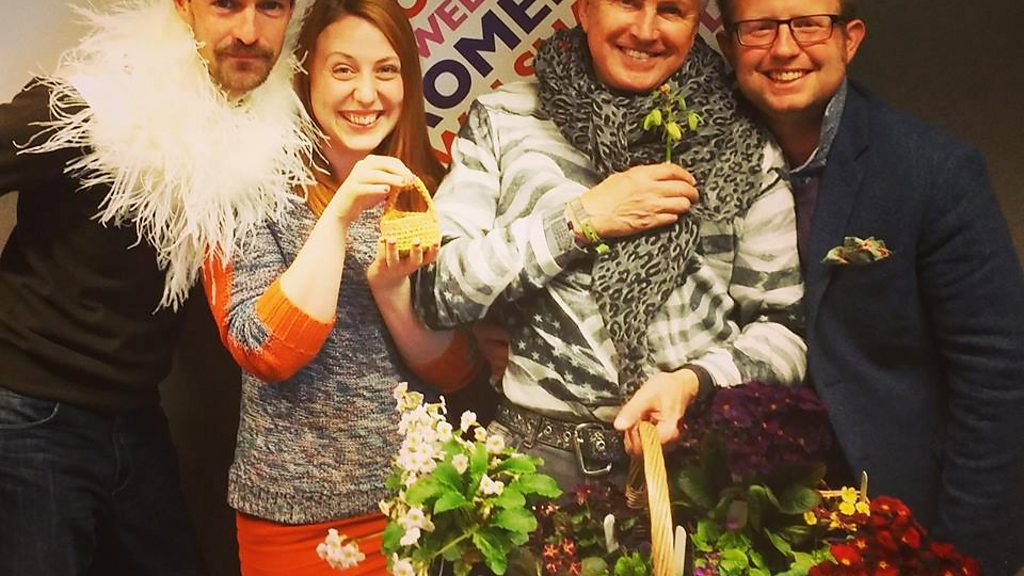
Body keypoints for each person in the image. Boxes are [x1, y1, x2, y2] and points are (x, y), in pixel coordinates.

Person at [414, 0, 806, 489]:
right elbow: (436, 292)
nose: (646, 29)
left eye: (671, 11)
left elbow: (785, 330)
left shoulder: (745, 145)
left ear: (695, 25)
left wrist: (693, 382)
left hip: (694, 465)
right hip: (534, 464)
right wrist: (582, 221)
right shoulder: (505, 119)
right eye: (627, 3)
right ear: (584, 10)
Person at [0, 0, 316, 574]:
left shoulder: (266, 127)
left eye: (270, 6)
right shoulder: (102, 102)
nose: (249, 31)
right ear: (183, 5)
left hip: (136, 412)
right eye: (227, 4)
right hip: (31, 411)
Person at [715, 0, 1024, 573]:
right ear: (728, 45)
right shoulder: (687, 157)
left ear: (850, 39)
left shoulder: (932, 170)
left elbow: (996, 376)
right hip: (735, 520)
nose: (784, 48)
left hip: (896, 518)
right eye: (759, 28)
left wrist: (962, 557)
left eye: (809, 24)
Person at [200, 1, 487, 574]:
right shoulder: (249, 185)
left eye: (386, 70)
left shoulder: (436, 188)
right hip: (294, 520)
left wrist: (390, 290)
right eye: (343, 70)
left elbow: (460, 371)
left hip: (424, 510)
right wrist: (337, 218)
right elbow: (263, 349)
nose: (366, 94)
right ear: (307, 75)